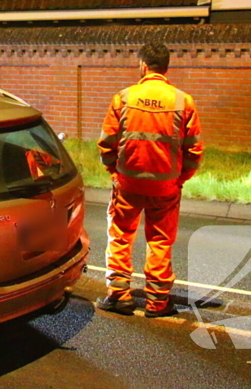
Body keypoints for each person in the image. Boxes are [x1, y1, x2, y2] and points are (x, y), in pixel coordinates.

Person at [95, 42, 203, 318]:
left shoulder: (123, 98)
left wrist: (115, 173)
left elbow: (107, 144)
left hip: (128, 184)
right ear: (165, 67)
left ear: (143, 66)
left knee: (120, 235)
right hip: (166, 186)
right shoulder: (183, 101)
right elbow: (194, 151)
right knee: (160, 240)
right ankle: (157, 302)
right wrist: (179, 179)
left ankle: (119, 296)